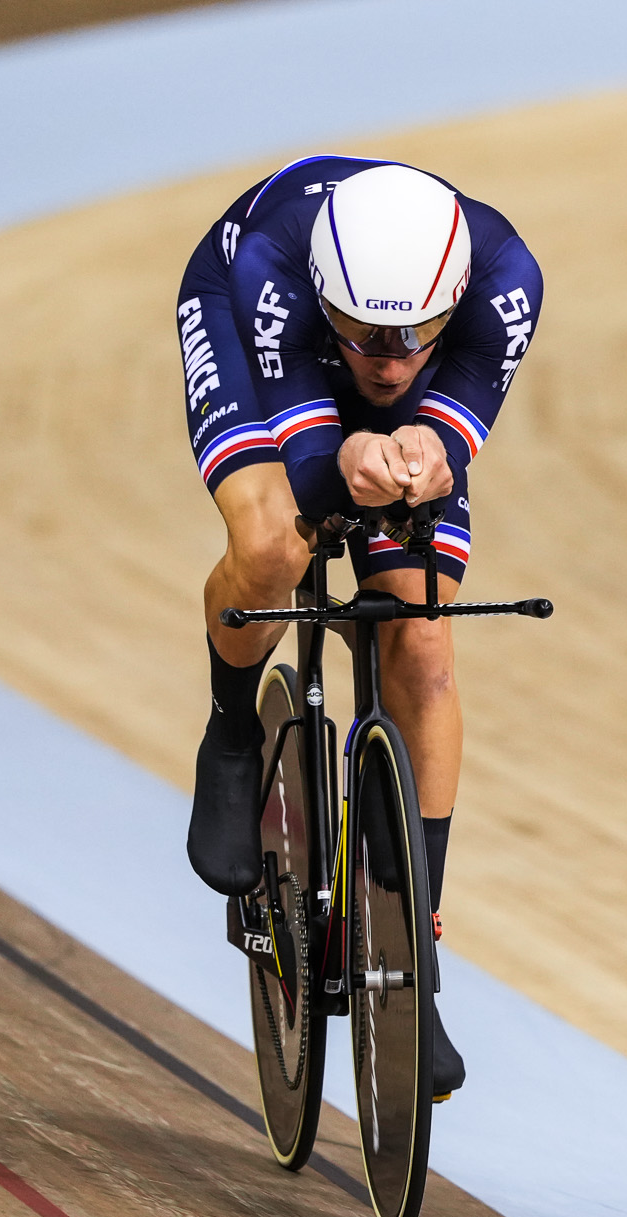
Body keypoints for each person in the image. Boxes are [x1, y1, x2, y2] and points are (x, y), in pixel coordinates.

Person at [176, 157, 543, 1101]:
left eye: (411, 338)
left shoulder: (507, 283)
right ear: (330, 301)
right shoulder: (269, 264)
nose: (384, 360)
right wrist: (350, 454)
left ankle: (412, 947)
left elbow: (449, 430)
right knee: (273, 549)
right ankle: (230, 730)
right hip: (250, 324)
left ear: (452, 302)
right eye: (365, 337)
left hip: (368, 346)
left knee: (419, 637)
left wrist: (433, 447)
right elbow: (310, 468)